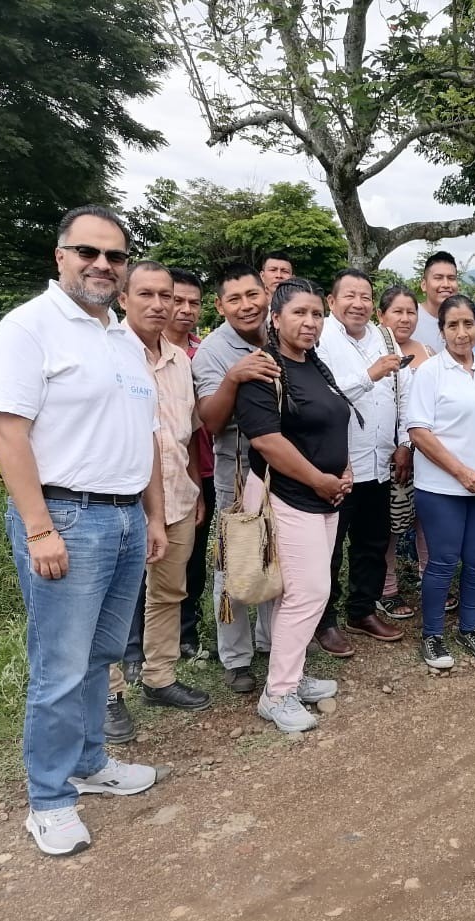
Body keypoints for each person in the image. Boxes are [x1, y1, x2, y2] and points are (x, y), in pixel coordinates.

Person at [0, 204, 167, 856]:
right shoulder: (29, 328)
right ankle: (50, 798)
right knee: (58, 667)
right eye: (88, 252)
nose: (102, 265)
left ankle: (91, 765)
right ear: (60, 256)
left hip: (122, 518)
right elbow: (8, 431)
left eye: (114, 256)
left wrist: (150, 515)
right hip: (66, 517)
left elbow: (141, 434)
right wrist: (39, 530)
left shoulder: (120, 337)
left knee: (101, 656)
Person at [233, 278, 356, 733]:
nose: (309, 322)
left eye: (317, 314)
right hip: (286, 496)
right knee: (310, 593)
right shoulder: (264, 369)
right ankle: (278, 694)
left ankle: (292, 675)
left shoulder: (313, 365)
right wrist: (320, 480)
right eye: (299, 313)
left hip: (323, 496)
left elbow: (328, 426)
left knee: (298, 593)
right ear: (276, 318)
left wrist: (342, 474)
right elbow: (266, 440)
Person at [105, 263, 211, 744]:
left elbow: (187, 434)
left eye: (166, 295)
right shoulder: (106, 351)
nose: (160, 305)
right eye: (145, 294)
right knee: (110, 602)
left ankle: (159, 678)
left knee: (169, 593)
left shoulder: (181, 360)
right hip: (121, 502)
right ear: (123, 298)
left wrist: (196, 488)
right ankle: (106, 696)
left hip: (177, 497)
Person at [407, 294, 475, 669]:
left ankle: (470, 628)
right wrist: (461, 472)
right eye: (452, 325)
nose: (461, 332)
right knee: (442, 561)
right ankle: (433, 635)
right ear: (441, 331)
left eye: (467, 324)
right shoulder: (430, 372)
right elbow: (419, 432)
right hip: (441, 489)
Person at [192, 264, 280, 693]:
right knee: (234, 564)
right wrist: (234, 377)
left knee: (276, 557)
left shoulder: (279, 335)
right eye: (235, 299)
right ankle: (237, 658)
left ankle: (272, 645)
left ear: (266, 293)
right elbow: (209, 422)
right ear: (220, 305)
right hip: (239, 474)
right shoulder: (212, 352)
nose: (247, 306)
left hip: (283, 472)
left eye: (252, 295)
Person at [311, 269, 407, 655]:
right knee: (329, 549)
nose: (359, 303)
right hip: (337, 466)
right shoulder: (320, 338)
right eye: (349, 295)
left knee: (372, 541)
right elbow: (323, 394)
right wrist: (370, 374)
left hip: (380, 462)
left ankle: (362, 610)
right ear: (332, 302)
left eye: (366, 296)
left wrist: (403, 443)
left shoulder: (383, 338)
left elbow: (403, 392)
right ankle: (324, 619)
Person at [376, 286, 436, 619]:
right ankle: (387, 590)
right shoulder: (373, 350)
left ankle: (432, 581)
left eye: (411, 312)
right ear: (381, 315)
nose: (405, 318)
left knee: (425, 519)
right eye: (397, 311)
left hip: (425, 451)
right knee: (389, 523)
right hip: (388, 451)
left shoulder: (427, 351)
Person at [165, 267, 214, 661]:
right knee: (150, 557)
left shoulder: (203, 353)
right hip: (157, 472)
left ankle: (186, 630)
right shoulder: (137, 351)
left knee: (193, 554)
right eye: (175, 300)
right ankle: (139, 645)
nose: (184, 310)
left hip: (204, 468)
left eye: (192, 303)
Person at [415, 250, 459, 351]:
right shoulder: (410, 318)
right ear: (424, 285)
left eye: (451, 278)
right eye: (438, 278)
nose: (446, 284)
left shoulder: (465, 318)